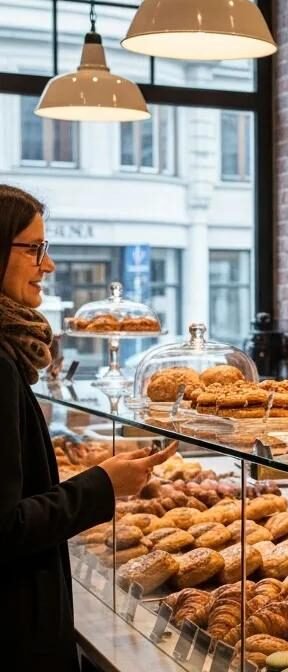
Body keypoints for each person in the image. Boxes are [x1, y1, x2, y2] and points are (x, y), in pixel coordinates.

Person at [0, 184, 177, 670]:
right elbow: (5, 528)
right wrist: (104, 484)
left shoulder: (10, 352)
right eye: (35, 249)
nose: (48, 265)